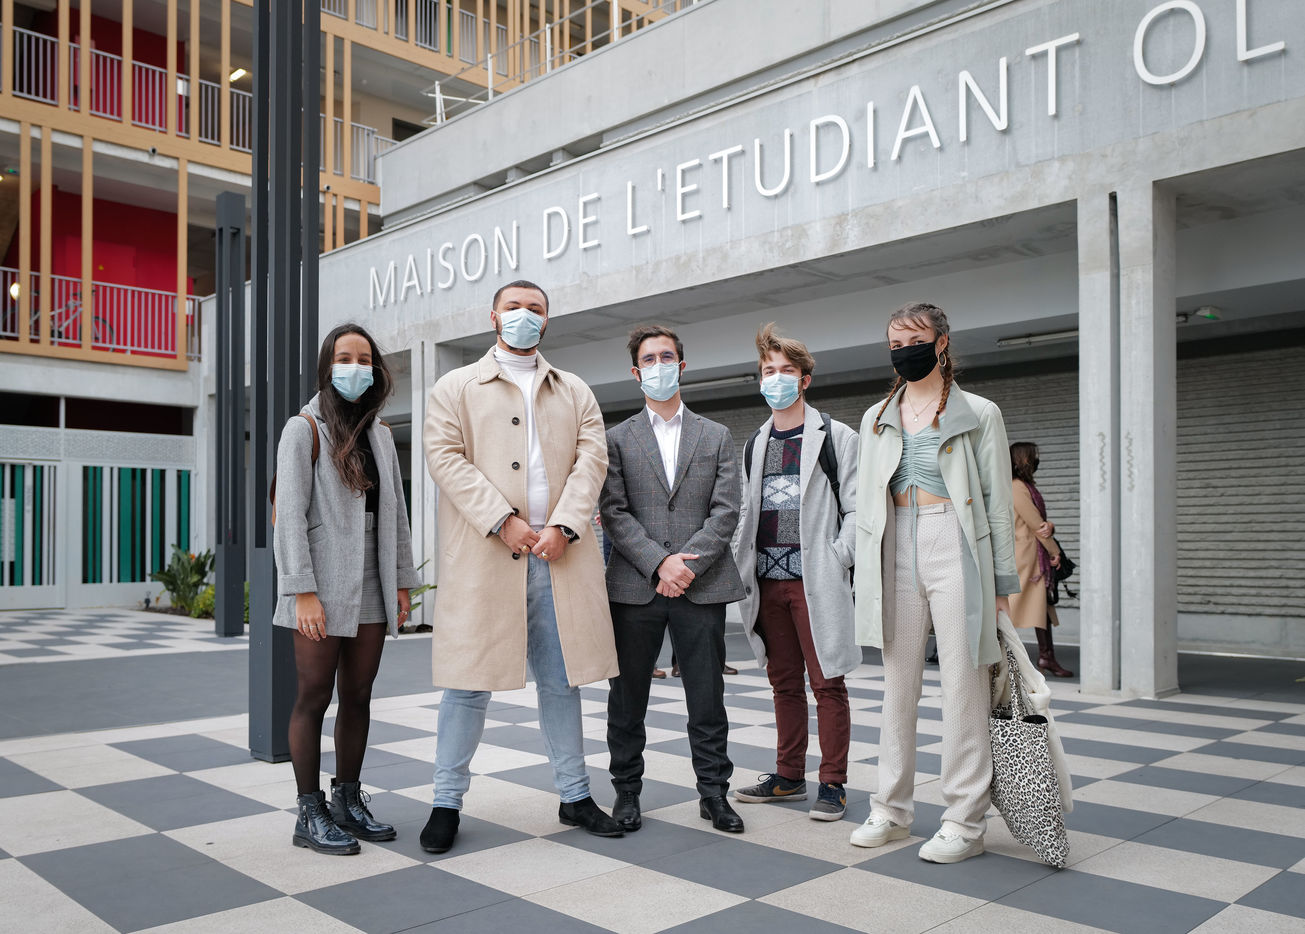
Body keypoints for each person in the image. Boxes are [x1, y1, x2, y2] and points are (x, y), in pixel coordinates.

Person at [420, 280, 624, 854]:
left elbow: (592, 461)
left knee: (562, 683)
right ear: (493, 316)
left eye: (535, 309)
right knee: (467, 686)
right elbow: (444, 458)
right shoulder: (456, 386)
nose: (524, 316)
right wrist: (501, 519)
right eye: (514, 307)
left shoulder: (574, 390)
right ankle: (445, 802)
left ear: (547, 321)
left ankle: (575, 796)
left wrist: (565, 526)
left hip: (559, 557)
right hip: (486, 557)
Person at [849, 302, 1018, 865]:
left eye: (915, 340)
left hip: (955, 542)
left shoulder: (979, 412)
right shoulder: (877, 416)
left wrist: (1001, 585)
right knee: (897, 686)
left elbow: (996, 502)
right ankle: (890, 810)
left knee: (963, 686)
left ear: (942, 342)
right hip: (894, 544)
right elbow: (865, 503)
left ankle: (964, 821)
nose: (905, 351)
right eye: (895, 344)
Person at [273, 323, 420, 855]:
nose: (355, 368)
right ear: (327, 366)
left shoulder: (380, 433)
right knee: (314, 695)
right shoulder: (303, 428)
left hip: (373, 580)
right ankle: (309, 811)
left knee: (358, 694)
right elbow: (288, 517)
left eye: (364, 359)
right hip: (320, 581)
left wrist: (401, 580)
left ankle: (348, 800)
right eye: (344, 358)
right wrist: (301, 591)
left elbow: (395, 512)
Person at [601, 325, 748, 834]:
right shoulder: (616, 438)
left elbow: (726, 511)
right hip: (634, 586)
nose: (659, 366)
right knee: (627, 701)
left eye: (667, 357)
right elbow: (614, 511)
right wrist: (658, 563)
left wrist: (685, 566)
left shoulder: (716, 435)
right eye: (649, 359)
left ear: (681, 366)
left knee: (707, 699)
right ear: (636, 371)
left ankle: (714, 794)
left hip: (701, 585)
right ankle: (626, 793)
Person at [731, 324, 859, 821]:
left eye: (786, 370)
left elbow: (858, 508)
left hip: (815, 579)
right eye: (769, 370)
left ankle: (833, 783)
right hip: (767, 582)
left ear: (805, 379)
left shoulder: (836, 437)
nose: (776, 378)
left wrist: (838, 556)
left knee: (828, 683)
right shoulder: (754, 443)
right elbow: (746, 512)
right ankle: (788, 777)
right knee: (783, 683)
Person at [1009, 442, 1072, 678]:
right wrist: (1055, 551)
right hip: (1027, 557)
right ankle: (995, 657)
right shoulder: (1016, 487)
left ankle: (1047, 656)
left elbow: (1042, 523)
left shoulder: (1025, 486)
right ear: (1021, 460)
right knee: (1010, 608)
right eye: (1032, 456)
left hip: (1033, 555)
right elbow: (1036, 524)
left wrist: (1050, 526)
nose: (1035, 460)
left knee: (1041, 606)